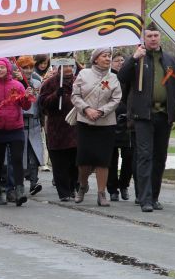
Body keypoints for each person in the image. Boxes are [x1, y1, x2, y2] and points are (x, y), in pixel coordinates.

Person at [118, 23, 175, 212]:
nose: (152, 39)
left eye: (155, 35)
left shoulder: (171, 61)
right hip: (143, 116)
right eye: (149, 36)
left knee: (160, 157)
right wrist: (134, 59)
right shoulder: (138, 59)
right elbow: (122, 78)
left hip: (164, 116)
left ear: (160, 37)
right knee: (144, 156)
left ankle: (155, 196)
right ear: (144, 38)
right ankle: (145, 199)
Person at [71, 48, 122, 206]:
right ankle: (83, 185)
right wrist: (87, 109)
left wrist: (101, 111)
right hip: (85, 121)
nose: (108, 59)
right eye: (104, 56)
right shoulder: (83, 74)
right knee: (84, 159)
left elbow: (116, 98)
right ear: (95, 59)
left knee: (103, 159)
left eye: (109, 56)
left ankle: (101, 193)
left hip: (106, 123)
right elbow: (75, 95)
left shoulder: (113, 77)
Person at [0, 58, 32, 206]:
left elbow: (25, 106)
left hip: (16, 128)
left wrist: (26, 97)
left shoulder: (18, 85)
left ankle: (19, 191)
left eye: (2, 67)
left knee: (17, 159)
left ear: (8, 69)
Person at [38, 64, 78, 201]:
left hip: (75, 127)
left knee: (74, 161)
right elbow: (43, 103)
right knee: (60, 162)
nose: (68, 69)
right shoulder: (49, 83)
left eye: (70, 66)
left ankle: (73, 187)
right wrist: (56, 96)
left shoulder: (78, 80)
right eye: (64, 66)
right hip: (57, 128)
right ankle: (64, 192)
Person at [107, 52, 134, 201]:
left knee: (129, 156)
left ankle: (124, 184)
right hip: (110, 119)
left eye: (122, 60)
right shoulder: (107, 78)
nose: (120, 63)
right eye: (116, 61)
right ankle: (112, 188)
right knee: (111, 157)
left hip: (127, 121)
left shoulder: (130, 77)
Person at [16, 56, 44, 196]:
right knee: (19, 156)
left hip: (34, 122)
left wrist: (43, 122)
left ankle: (34, 182)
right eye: (24, 67)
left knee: (34, 156)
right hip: (18, 123)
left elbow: (40, 103)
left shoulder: (37, 82)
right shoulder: (15, 83)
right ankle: (18, 184)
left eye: (30, 67)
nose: (28, 70)